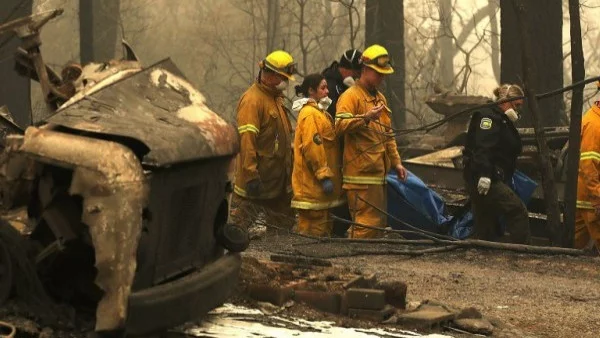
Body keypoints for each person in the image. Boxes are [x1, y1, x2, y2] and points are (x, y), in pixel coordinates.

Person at [335, 44, 407, 239]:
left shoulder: (379, 98)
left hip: (377, 174)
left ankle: (365, 263)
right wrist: (364, 118)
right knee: (364, 227)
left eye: (384, 74)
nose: (382, 78)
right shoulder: (350, 96)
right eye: (378, 73)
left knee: (376, 226)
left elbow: (387, 135)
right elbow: (339, 126)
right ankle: (354, 264)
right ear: (365, 69)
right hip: (360, 177)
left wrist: (397, 162)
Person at [231, 50, 296, 231]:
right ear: (269, 74)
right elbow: (247, 141)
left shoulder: (275, 98)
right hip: (256, 183)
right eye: (283, 77)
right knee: (237, 231)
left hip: (277, 183)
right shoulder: (252, 101)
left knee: (282, 233)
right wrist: (251, 176)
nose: (286, 82)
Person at [462, 84, 531, 244]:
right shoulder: (489, 118)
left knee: (486, 221)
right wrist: (485, 175)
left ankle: (483, 253)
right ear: (505, 101)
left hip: (491, 176)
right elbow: (483, 147)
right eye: (517, 106)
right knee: (517, 210)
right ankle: (524, 252)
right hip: (485, 177)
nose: (519, 110)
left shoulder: (502, 119)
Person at [290, 74, 345, 236]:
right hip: (313, 189)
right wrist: (323, 175)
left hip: (320, 194)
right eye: (323, 88)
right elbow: (312, 147)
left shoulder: (321, 114)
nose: (327, 91)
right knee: (313, 235)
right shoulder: (310, 114)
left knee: (322, 233)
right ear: (311, 91)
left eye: (327, 87)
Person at [322, 49, 362, 237]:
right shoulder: (329, 85)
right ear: (346, 70)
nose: (357, 77)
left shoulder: (345, 86)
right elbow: (330, 118)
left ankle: (336, 230)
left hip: (343, 147)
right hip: (330, 147)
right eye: (356, 73)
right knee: (335, 194)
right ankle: (331, 231)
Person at [575, 90, 600, 254]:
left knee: (574, 244)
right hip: (591, 200)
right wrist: (598, 197)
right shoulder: (594, 126)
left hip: (588, 197)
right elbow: (588, 166)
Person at [322, 49, 363, 118]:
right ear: (345, 69)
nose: (357, 77)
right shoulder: (328, 86)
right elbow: (331, 115)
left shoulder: (344, 85)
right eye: (357, 73)